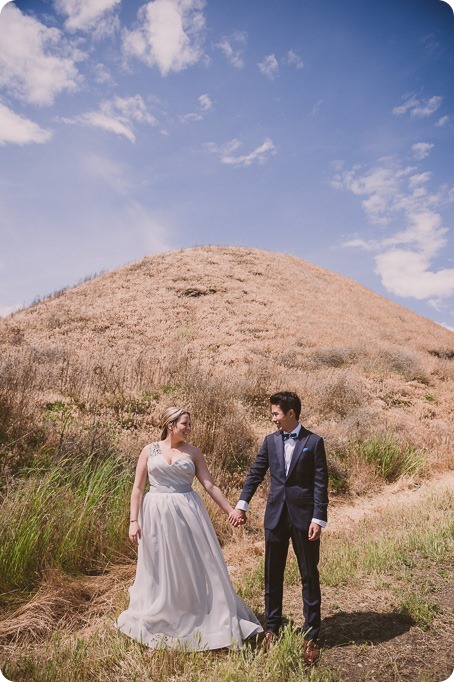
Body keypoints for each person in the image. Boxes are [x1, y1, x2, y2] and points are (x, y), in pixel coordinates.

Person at [116, 407, 263, 651]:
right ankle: (163, 615)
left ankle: (194, 611)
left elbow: (210, 486)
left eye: (189, 424)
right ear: (170, 424)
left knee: (191, 563)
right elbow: (137, 489)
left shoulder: (194, 452)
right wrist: (134, 521)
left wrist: (231, 511)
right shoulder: (149, 450)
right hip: (155, 515)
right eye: (185, 423)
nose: (189, 428)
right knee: (161, 565)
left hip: (187, 513)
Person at [229, 391, 328, 665]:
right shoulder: (270, 441)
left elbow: (321, 484)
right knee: (272, 573)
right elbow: (256, 473)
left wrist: (318, 519)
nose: (272, 418)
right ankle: (271, 628)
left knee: (309, 574)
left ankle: (311, 635)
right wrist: (242, 504)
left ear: (291, 414)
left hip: (304, 519)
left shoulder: (314, 442)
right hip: (274, 517)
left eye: (276, 413)